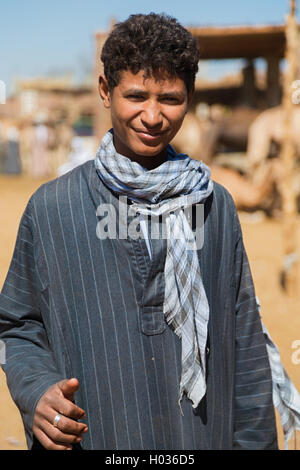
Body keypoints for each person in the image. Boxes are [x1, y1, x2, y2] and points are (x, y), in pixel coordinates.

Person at [0, 13, 279, 450]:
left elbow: (244, 344)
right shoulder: (51, 209)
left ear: (189, 97)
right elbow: (17, 325)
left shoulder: (213, 206)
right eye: (135, 96)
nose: (152, 116)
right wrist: (37, 391)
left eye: (170, 98)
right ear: (105, 92)